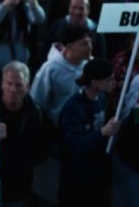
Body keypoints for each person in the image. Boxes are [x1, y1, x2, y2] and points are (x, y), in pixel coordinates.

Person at [57, 58, 120, 207]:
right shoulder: (73, 108)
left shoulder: (102, 99)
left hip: (96, 175)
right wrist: (102, 133)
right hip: (77, 180)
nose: (113, 82)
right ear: (95, 83)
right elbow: (72, 144)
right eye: (109, 79)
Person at [0, 62, 49, 207]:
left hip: (18, 185)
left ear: (27, 87)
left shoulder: (35, 113)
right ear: (2, 84)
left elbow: (41, 148)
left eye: (18, 85)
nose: (13, 89)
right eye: (9, 84)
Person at [30, 25, 93, 120]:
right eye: (84, 44)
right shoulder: (50, 69)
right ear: (69, 46)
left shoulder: (91, 65)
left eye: (90, 43)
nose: (90, 48)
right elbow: (37, 102)